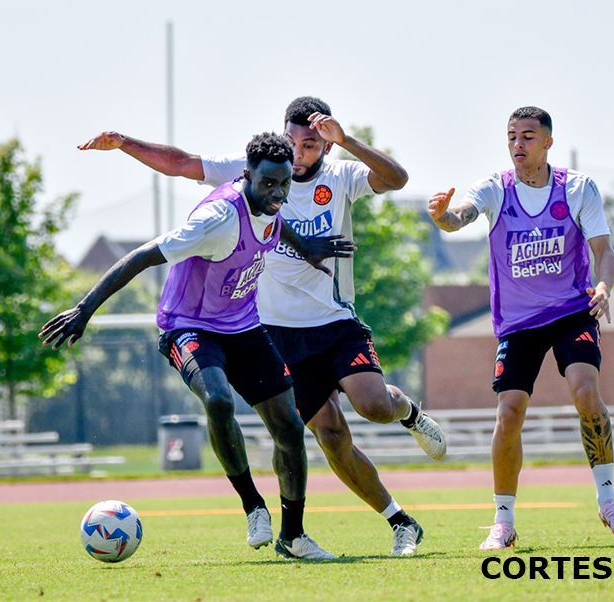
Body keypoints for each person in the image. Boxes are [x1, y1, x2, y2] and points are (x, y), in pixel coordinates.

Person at [76, 96, 447, 556]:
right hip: (271, 330)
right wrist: (125, 142)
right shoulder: (256, 167)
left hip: (333, 319)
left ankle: (407, 413)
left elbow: (395, 179)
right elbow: (183, 164)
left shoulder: (340, 175)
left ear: (325, 146)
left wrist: (346, 140)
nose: (297, 154)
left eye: (310, 144)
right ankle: (398, 522)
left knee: (372, 405)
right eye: (292, 143)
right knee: (327, 435)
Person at [41, 132, 346, 560]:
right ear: (246, 176)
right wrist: (84, 308)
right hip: (188, 326)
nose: (278, 193)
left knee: (290, 427)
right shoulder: (218, 219)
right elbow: (142, 256)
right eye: (268, 185)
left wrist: (308, 248)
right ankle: (253, 506)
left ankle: (293, 536)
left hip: (242, 326)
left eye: (283, 184)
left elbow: (278, 224)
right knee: (219, 401)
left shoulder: (273, 201)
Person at [427, 106, 614, 550]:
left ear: (547, 143)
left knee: (584, 388)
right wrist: (443, 216)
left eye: (527, 136)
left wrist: (604, 285)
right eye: (511, 137)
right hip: (519, 322)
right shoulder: (495, 189)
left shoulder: (578, 188)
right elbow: (459, 217)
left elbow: (604, 249)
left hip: (571, 311)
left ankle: (608, 498)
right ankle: (503, 520)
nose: (517, 145)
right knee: (510, 412)